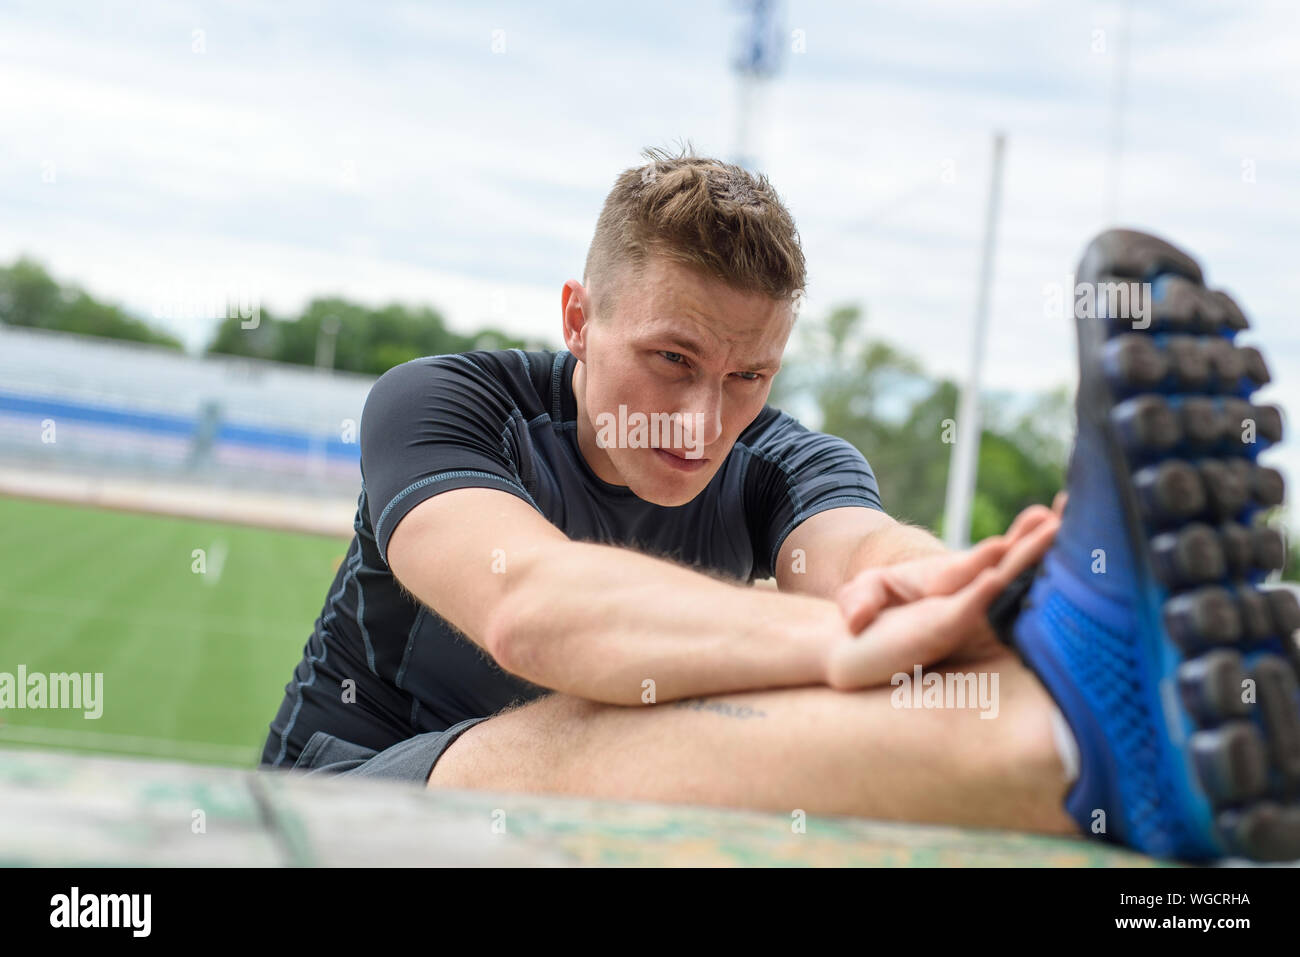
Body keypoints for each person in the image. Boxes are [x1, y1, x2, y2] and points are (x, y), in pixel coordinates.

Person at [261, 147, 1298, 863]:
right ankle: (1089, 750)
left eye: (749, 376)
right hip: (344, 813)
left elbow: (862, 552)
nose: (702, 420)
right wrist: (843, 642)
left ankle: (1115, 725)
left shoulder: (784, 458)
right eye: (671, 359)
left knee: (920, 656)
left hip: (582, 831)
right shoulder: (444, 402)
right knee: (589, 721)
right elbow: (531, 604)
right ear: (579, 317)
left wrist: (988, 591)